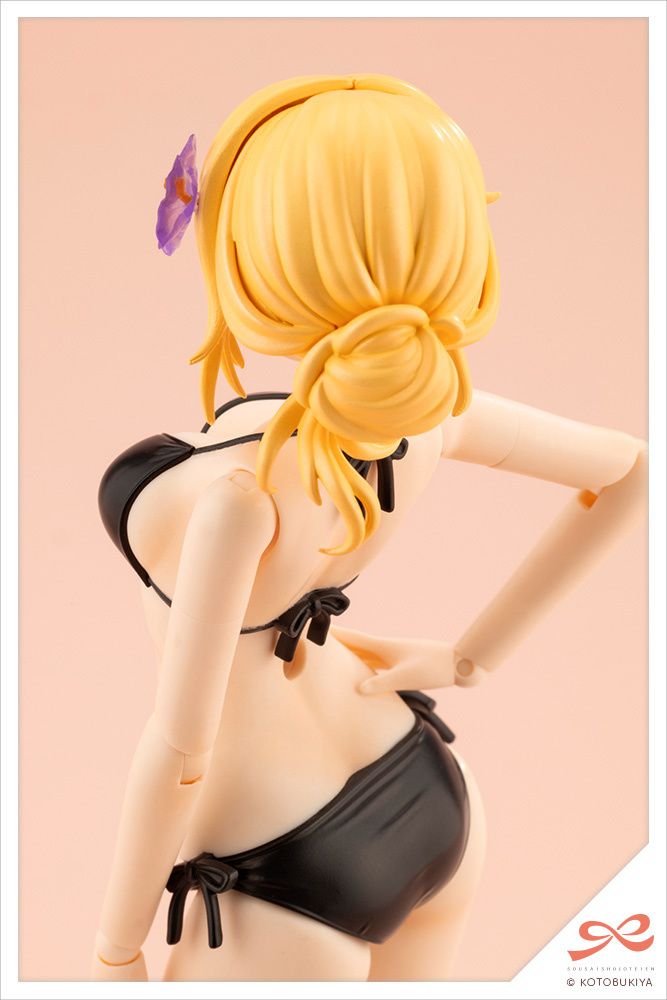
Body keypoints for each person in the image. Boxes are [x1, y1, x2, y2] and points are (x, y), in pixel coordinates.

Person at [91, 75, 647, 982]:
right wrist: (467, 660)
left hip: (281, 860)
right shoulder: (430, 418)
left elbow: (180, 749)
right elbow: (628, 471)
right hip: (422, 778)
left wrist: (115, 947)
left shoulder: (239, 500)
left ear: (259, 258)